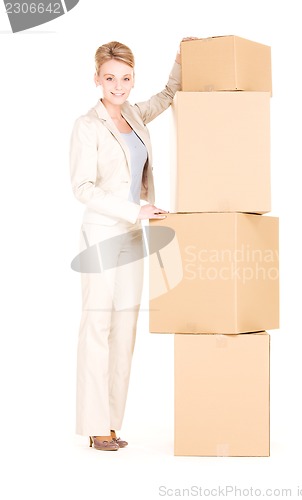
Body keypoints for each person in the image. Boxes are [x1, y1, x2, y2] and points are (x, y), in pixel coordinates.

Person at [70, 39, 187, 451]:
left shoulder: (135, 114)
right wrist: (134, 209)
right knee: (97, 327)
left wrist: (179, 60)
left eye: (125, 78)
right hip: (102, 233)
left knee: (125, 329)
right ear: (97, 79)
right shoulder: (88, 125)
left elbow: (170, 96)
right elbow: (82, 187)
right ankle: (94, 425)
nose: (118, 86)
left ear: (132, 78)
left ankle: (112, 424)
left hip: (132, 236)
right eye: (109, 78)